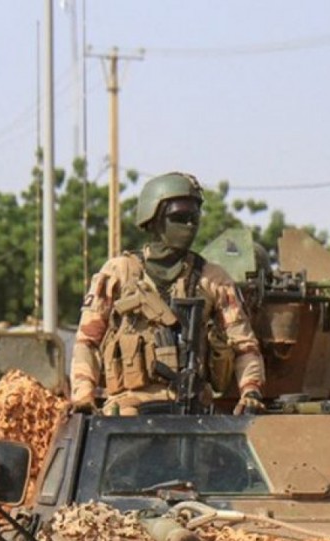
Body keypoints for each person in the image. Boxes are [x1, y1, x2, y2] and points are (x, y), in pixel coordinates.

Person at [70, 171, 265, 416]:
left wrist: (250, 391)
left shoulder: (213, 279)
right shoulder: (119, 272)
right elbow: (87, 342)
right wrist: (83, 396)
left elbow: (245, 346)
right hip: (128, 409)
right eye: (179, 217)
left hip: (193, 410)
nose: (190, 225)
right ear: (154, 219)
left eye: (194, 217)